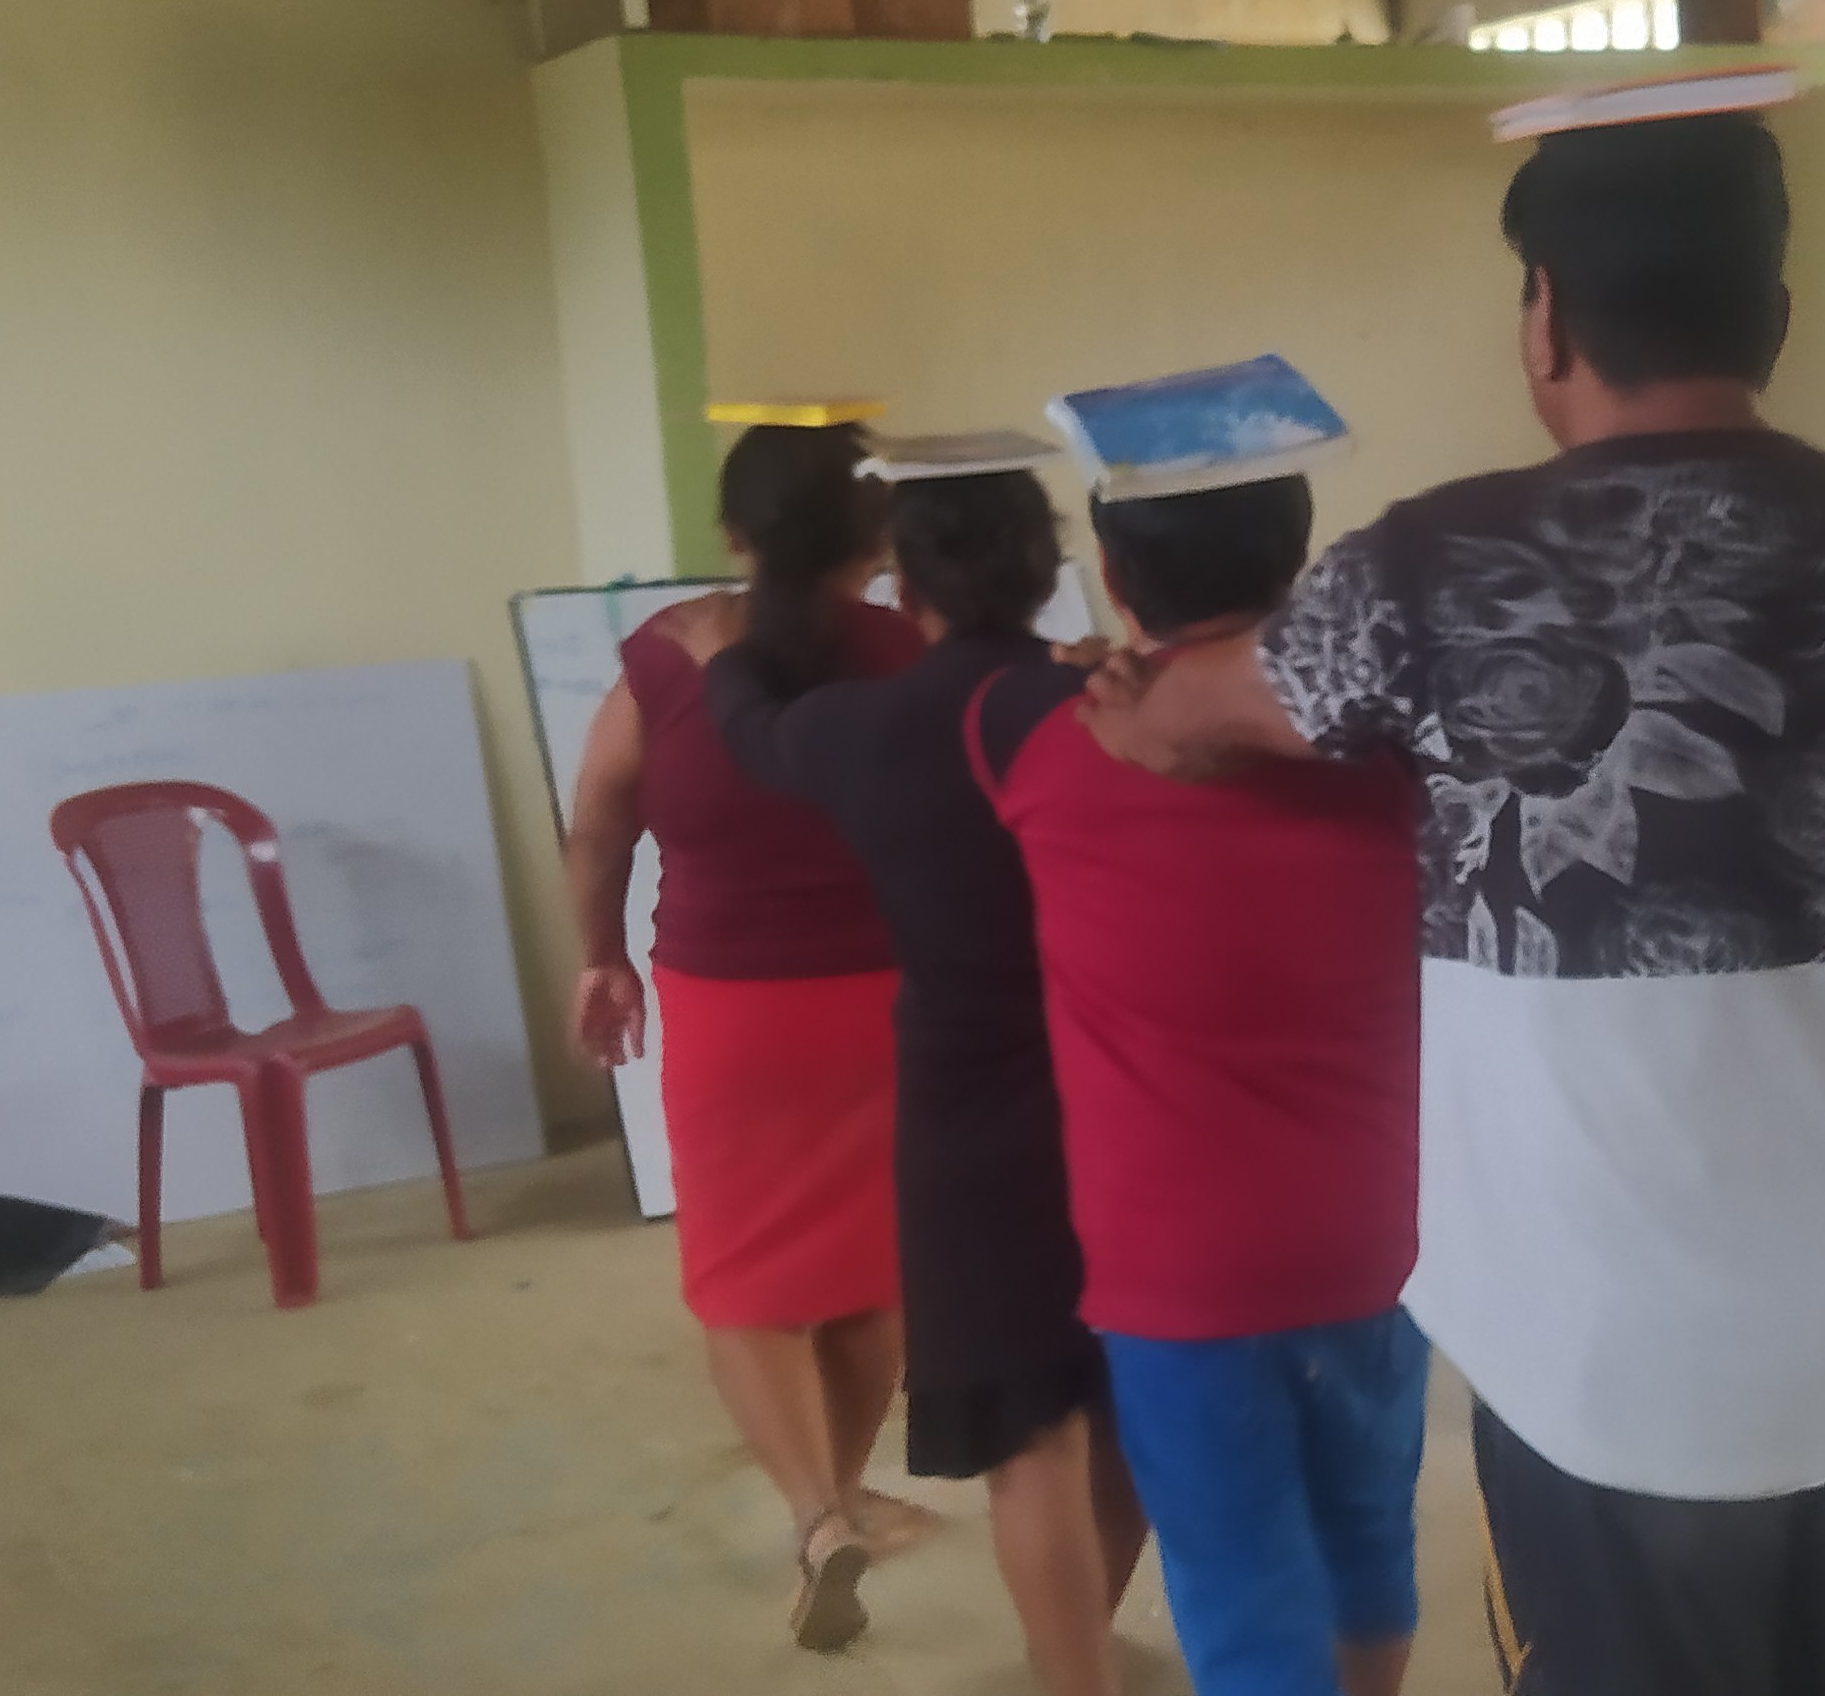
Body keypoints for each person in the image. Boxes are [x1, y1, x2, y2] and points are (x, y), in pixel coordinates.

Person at [1079, 109, 1825, 1696]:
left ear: (1546, 318)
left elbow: (1192, 718)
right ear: (1776, 316)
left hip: (1598, 1374)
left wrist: (1135, 707)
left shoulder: (1429, 573)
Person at [963, 469, 1427, 1696]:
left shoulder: (1032, 738)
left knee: (1238, 1583)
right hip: (1381, 1236)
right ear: (1298, 557)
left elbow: (999, 698)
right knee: (1369, 1535)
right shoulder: (1398, 750)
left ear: (1115, 579)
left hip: (1176, 1267)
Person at [704, 461, 1149, 1696]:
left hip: (973, 1120)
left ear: (904, 584)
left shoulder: (868, 727)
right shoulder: (1105, 700)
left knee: (1027, 1434)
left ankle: (1074, 1677)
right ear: (1046, 569)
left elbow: (749, 729)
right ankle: (1092, 1638)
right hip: (1131, 1093)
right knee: (1125, 1402)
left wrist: (728, 647)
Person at [558, 421, 932, 1653]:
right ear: (874, 541)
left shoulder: (668, 656)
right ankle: (850, 1491)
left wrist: (601, 954)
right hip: (883, 999)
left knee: (745, 1278)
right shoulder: (906, 654)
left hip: (732, 1006)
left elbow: (599, 822)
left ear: (734, 531)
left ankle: (817, 1517)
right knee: (870, 1274)